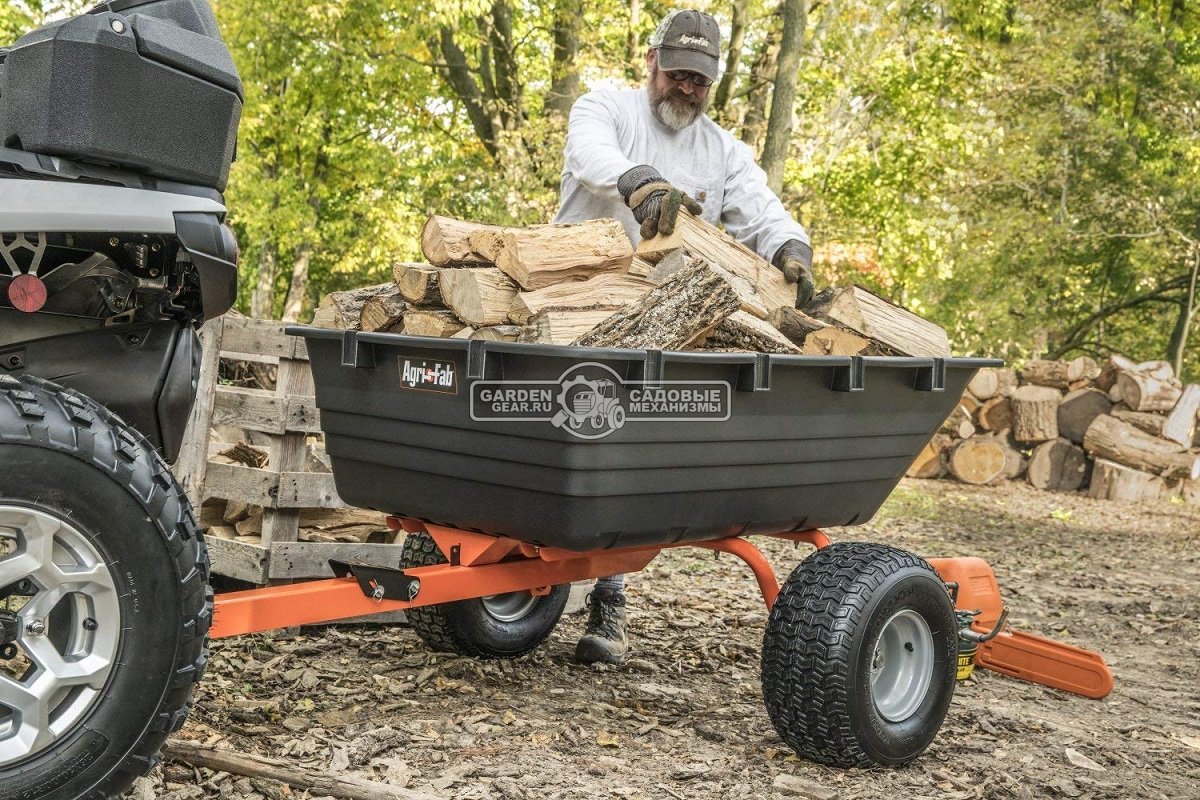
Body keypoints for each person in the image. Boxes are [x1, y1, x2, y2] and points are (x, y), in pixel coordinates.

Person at [553, 9, 815, 664]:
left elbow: (759, 205)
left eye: (699, 80)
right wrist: (636, 181)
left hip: (663, 323)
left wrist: (790, 248)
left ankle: (608, 598)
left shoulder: (720, 150)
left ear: (714, 81)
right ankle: (552, 582)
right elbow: (591, 153)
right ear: (652, 61)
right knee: (584, 454)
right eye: (677, 74)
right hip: (571, 309)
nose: (686, 89)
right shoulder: (606, 109)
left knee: (625, 458)